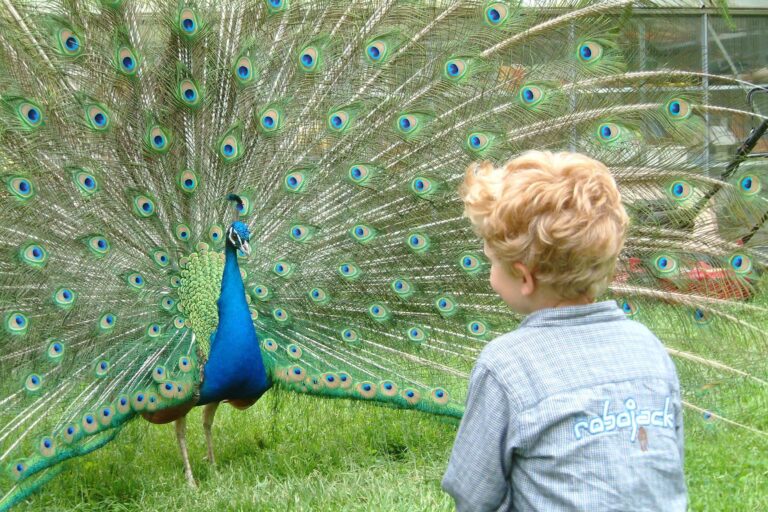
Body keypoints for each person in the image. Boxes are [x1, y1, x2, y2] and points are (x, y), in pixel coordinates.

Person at [442, 151, 686, 511]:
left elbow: (473, 493)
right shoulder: (648, 347)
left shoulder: (507, 364)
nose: (490, 273)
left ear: (524, 277)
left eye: (491, 262)